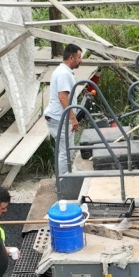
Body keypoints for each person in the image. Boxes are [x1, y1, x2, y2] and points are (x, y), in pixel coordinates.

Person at [45, 44, 84, 178]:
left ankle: (64, 180)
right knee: (66, 152)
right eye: (79, 57)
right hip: (60, 119)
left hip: (60, 118)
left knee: (66, 150)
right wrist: (72, 119)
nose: (81, 60)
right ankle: (62, 183)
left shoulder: (65, 72)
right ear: (72, 58)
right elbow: (62, 98)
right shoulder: (62, 74)